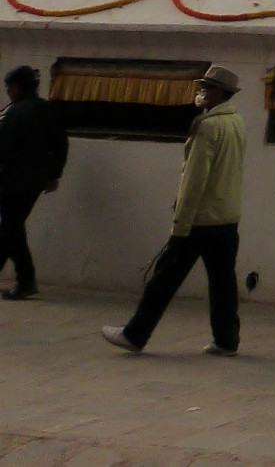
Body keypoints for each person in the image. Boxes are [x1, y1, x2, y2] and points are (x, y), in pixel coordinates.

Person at [102, 65, 245, 356]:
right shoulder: (236, 122)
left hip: (199, 220)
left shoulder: (207, 126)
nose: (201, 92)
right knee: (223, 283)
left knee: (164, 279)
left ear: (221, 92)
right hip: (226, 217)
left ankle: (135, 334)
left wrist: (180, 224)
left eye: (207, 88)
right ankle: (227, 339)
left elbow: (194, 180)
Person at [1, 65, 68, 301]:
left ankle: (26, 279)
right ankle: (26, 279)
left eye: (9, 86)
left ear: (17, 87)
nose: (8, 90)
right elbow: (61, 144)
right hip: (37, 179)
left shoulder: (13, 113)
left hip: (12, 178)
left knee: (9, 227)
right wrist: (54, 175)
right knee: (13, 226)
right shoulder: (48, 110)